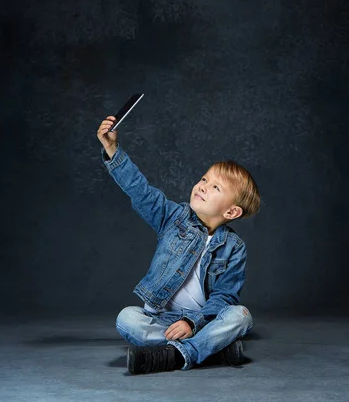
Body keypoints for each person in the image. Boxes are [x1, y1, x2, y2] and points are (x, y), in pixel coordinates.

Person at [97, 115, 261, 375]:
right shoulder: (173, 217)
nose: (203, 186)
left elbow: (224, 296)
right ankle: (211, 351)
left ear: (231, 212)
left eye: (215, 187)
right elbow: (140, 191)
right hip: (162, 319)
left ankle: (172, 355)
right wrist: (112, 150)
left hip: (202, 321)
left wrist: (192, 322)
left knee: (241, 315)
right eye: (204, 179)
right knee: (127, 319)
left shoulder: (234, 247)